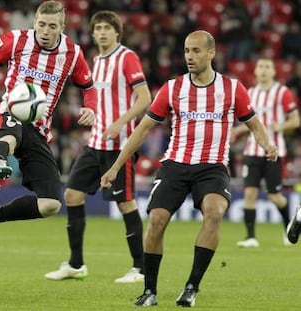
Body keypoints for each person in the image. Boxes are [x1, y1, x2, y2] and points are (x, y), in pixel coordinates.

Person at [100, 30, 278, 307]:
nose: (189, 57)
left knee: (215, 213)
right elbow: (143, 129)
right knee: (157, 220)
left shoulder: (232, 89)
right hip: (175, 164)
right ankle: (150, 291)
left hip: (213, 167)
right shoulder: (173, 88)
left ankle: (192, 287)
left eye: (196, 51)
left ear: (211, 53)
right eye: (186, 51)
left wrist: (267, 144)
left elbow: (254, 123)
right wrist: (115, 166)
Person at [0, 1, 96, 253]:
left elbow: (88, 87)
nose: (45, 31)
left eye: (52, 26)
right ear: (34, 22)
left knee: (50, 205)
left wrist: (90, 108)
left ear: (62, 27)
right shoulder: (15, 40)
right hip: (11, 111)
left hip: (39, 130)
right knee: (12, 130)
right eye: (41, 24)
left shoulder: (73, 53)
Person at [44, 11, 151, 283]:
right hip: (96, 143)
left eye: (107, 28)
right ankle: (76, 264)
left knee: (125, 203)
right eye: (98, 28)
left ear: (117, 32)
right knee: (72, 195)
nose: (102, 32)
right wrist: (91, 112)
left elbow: (144, 99)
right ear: (93, 34)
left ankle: (140, 268)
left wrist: (120, 121)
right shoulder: (96, 61)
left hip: (121, 144)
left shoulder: (127, 58)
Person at [232, 58, 300, 248]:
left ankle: (289, 230)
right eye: (260, 66)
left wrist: (280, 125)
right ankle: (250, 237)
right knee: (250, 194)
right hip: (252, 151)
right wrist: (238, 130)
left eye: (267, 67)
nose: (263, 70)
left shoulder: (282, 92)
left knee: (274, 196)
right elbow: (251, 123)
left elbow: (295, 120)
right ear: (255, 71)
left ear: (273, 72)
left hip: (274, 151)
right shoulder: (250, 93)